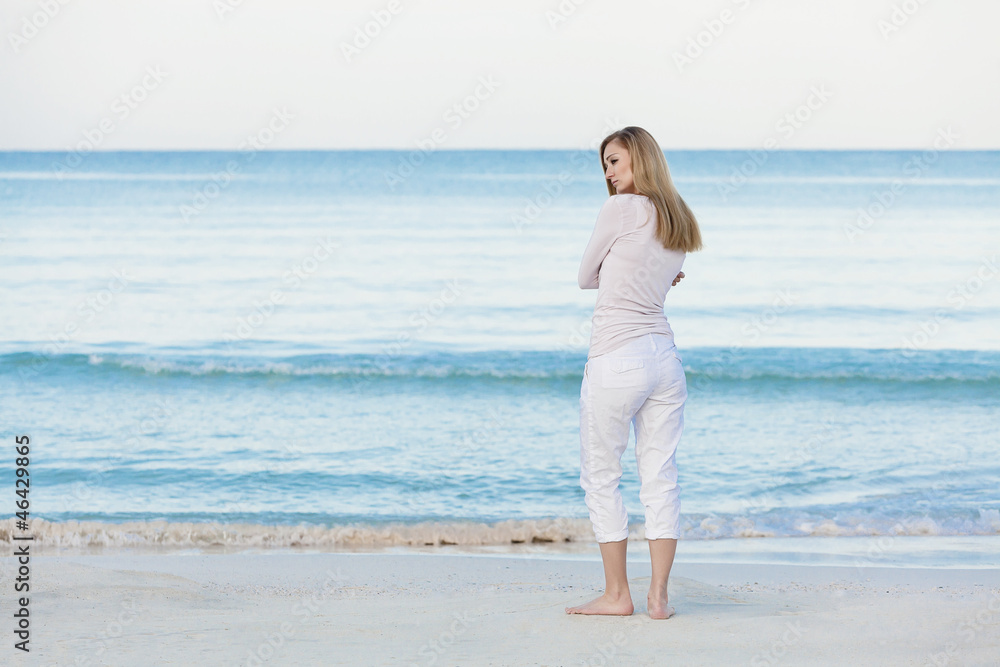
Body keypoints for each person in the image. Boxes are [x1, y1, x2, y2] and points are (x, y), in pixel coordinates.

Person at [565, 126, 703, 619]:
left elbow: (585, 277)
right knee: (659, 476)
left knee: (602, 476)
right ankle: (659, 596)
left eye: (616, 161)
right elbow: (661, 275)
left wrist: (615, 269)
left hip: (617, 356)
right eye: (604, 164)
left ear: (641, 160)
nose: (608, 171)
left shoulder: (619, 210)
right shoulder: (677, 218)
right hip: (664, 359)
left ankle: (617, 595)